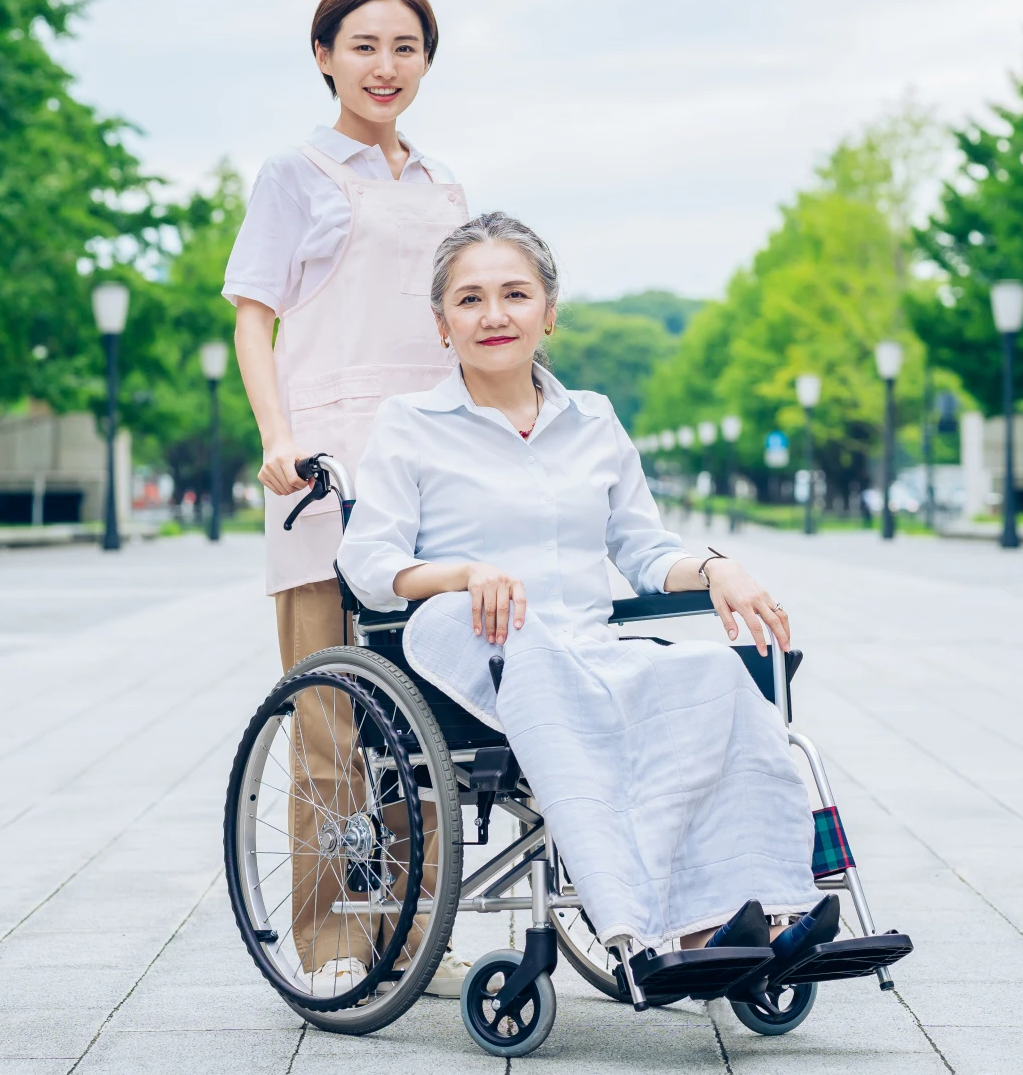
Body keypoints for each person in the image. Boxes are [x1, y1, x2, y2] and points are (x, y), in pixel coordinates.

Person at [338, 213, 826, 967]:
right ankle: (641, 930)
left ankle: (741, 915)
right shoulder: (411, 424)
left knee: (710, 671)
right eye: (469, 300)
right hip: (469, 637)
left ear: (549, 311)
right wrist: (464, 573)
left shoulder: (592, 420)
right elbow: (369, 562)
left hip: (583, 644)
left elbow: (643, 549)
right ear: (441, 324)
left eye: (515, 294)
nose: (494, 315)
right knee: (543, 661)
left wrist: (715, 570)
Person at [224, 0, 470, 993]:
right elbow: (253, 314)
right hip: (324, 464)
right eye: (364, 45)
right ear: (325, 55)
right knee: (330, 713)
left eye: (405, 47)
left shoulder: (444, 189)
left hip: (428, 460)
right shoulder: (295, 175)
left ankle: (410, 931)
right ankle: (331, 936)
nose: (385, 65)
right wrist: (276, 439)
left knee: (428, 716)